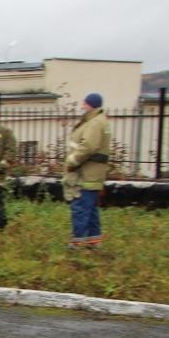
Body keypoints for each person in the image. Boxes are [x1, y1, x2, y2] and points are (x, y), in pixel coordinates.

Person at [64, 93, 112, 248]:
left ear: (89, 104)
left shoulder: (94, 123)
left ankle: (77, 242)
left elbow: (88, 147)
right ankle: (94, 241)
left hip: (85, 173)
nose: (82, 106)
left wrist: (73, 160)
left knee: (80, 208)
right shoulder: (97, 121)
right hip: (92, 173)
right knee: (90, 209)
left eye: (84, 103)